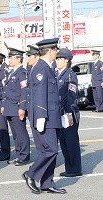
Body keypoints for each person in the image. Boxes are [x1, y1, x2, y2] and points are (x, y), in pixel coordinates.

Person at [22, 38, 66, 194]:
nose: (56, 53)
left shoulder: (45, 67)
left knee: (46, 151)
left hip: (51, 116)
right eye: (55, 50)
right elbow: (40, 94)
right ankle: (31, 174)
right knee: (51, 150)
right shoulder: (41, 68)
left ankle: (47, 183)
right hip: (44, 117)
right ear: (50, 51)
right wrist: (41, 116)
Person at [55, 48, 82, 177]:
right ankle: (69, 168)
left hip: (68, 113)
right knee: (64, 143)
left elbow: (71, 95)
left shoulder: (70, 75)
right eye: (57, 58)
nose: (58, 61)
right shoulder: (58, 73)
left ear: (67, 61)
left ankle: (75, 169)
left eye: (60, 59)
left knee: (71, 142)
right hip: (60, 113)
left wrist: (69, 113)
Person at [2, 48, 30, 166]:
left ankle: (24, 156)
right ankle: (19, 154)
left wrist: (22, 107)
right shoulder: (11, 72)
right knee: (15, 133)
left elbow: (24, 91)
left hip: (17, 107)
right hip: (9, 107)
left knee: (21, 132)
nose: (9, 60)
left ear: (18, 59)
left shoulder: (22, 73)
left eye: (12, 57)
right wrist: (4, 105)